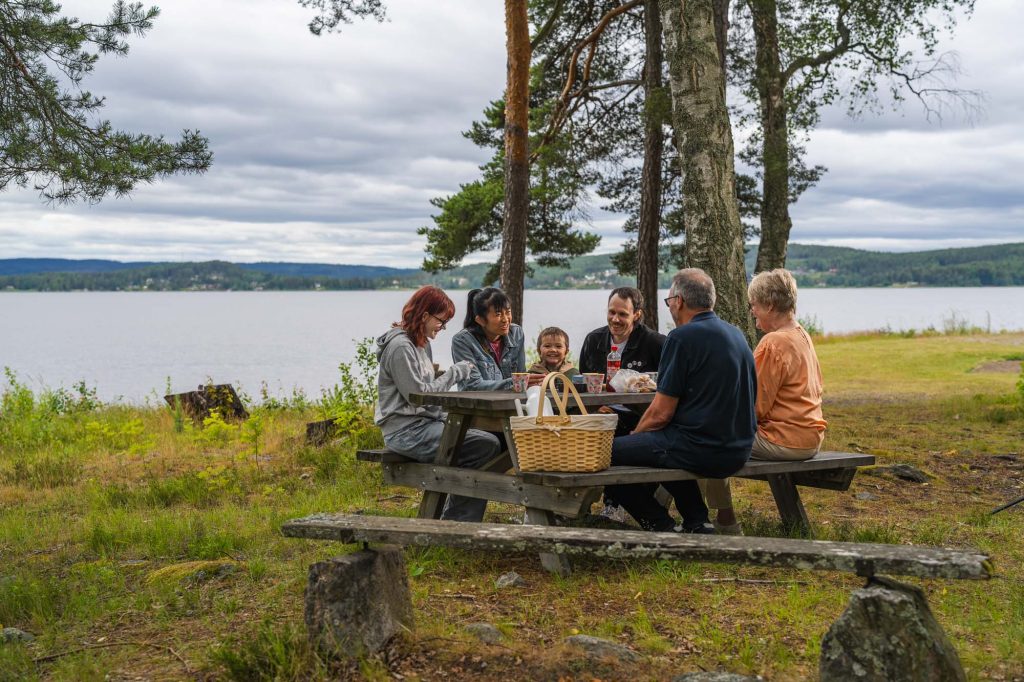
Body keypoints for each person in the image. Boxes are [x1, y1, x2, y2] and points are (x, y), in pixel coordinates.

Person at [604, 269, 757, 534]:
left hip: (701, 449)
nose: (670, 307)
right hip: (739, 448)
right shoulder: (736, 334)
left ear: (679, 301)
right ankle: (698, 522)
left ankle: (661, 525)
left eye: (669, 301)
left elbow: (661, 414)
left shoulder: (681, 337)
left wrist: (636, 436)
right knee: (664, 444)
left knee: (607, 453)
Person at [702, 269, 827, 532]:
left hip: (784, 439)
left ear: (769, 305)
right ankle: (719, 517)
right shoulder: (801, 335)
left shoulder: (773, 343)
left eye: (754, 305)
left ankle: (722, 520)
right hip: (809, 436)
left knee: (706, 441)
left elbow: (754, 408)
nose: (752, 311)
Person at [375, 286, 501, 522]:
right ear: (425, 315)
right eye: (441, 321)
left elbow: (424, 385)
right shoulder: (401, 347)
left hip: (424, 424)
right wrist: (454, 373)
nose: (442, 328)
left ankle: (456, 519)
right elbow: (418, 395)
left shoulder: (421, 343)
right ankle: (457, 522)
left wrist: (444, 380)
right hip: (406, 432)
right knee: (485, 445)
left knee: (491, 441)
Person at [578, 287, 666, 522]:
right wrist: (595, 408)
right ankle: (573, 503)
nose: (615, 319)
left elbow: (668, 388)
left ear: (637, 314)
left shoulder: (655, 343)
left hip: (643, 417)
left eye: (622, 314)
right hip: (602, 413)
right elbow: (584, 383)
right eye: (611, 312)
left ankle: (614, 504)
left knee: (618, 441)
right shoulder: (594, 340)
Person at [451, 287, 541, 390]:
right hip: (477, 400)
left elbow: (521, 375)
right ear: (480, 320)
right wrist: (515, 382)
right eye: (498, 314)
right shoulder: (462, 341)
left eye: (508, 312)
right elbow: (473, 385)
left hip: (512, 400)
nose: (505, 319)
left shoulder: (516, 333)